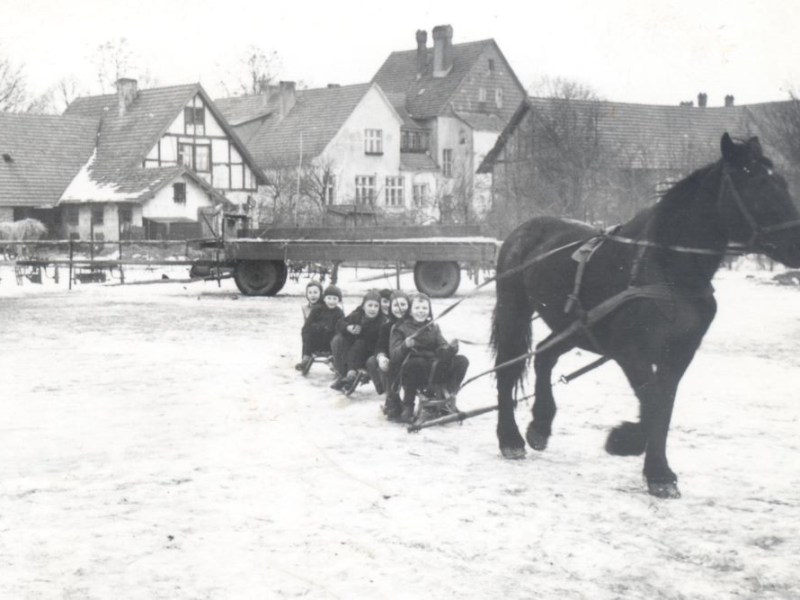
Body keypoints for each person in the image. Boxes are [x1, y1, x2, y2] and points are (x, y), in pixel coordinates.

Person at [389, 293, 469, 423]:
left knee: (462, 360)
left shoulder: (433, 327)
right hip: (414, 370)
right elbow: (394, 355)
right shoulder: (400, 328)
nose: (421, 311)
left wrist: (450, 349)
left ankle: (449, 395)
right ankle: (408, 406)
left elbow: (442, 346)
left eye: (424, 308)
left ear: (429, 310)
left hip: (433, 367)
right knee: (415, 363)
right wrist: (405, 345)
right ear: (410, 310)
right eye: (417, 308)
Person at [366, 290, 410, 418]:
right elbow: (380, 346)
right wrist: (381, 357)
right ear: (390, 307)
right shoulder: (387, 327)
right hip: (393, 359)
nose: (399, 308)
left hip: (407, 360)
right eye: (395, 305)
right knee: (372, 362)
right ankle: (391, 397)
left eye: (403, 304)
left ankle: (397, 401)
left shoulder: (412, 323)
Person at [330, 289, 385, 391]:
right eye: (370, 305)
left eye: (376, 306)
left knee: (360, 344)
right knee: (337, 340)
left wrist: (362, 332)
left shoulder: (381, 321)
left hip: (369, 352)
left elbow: (378, 341)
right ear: (363, 306)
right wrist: (348, 328)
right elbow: (339, 323)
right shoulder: (357, 315)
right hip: (353, 349)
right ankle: (343, 374)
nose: (372, 309)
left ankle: (350, 374)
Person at [296, 284, 344, 372]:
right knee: (308, 330)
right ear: (324, 298)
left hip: (329, 343)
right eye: (329, 298)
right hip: (316, 341)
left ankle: (336, 361)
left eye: (334, 299)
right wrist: (318, 327)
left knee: (339, 337)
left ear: (339, 300)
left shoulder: (339, 313)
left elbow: (340, 328)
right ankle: (306, 357)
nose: (331, 301)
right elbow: (308, 325)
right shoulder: (317, 310)